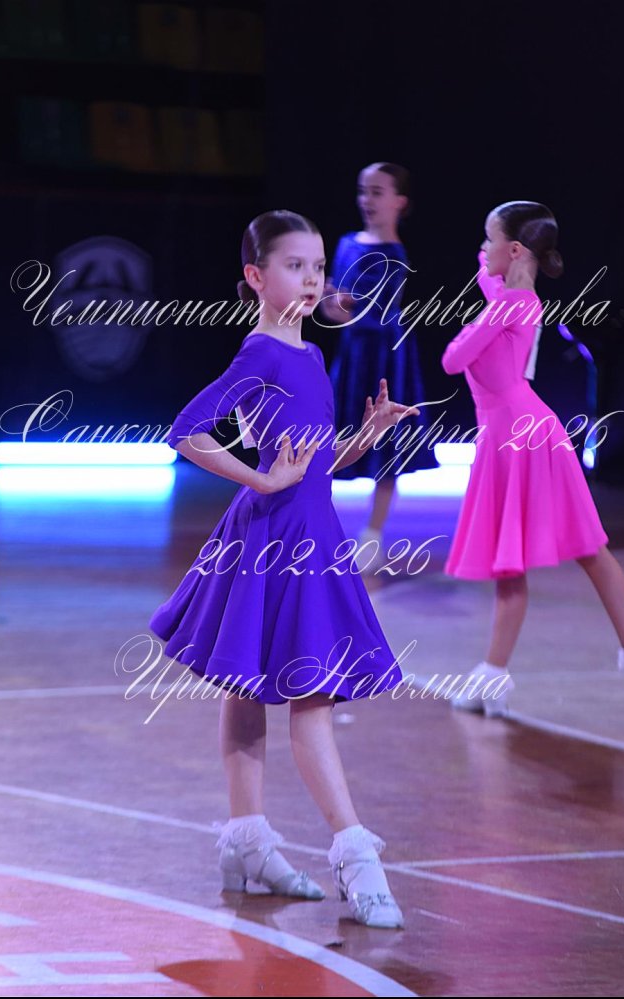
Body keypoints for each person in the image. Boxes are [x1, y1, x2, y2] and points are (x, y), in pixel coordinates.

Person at [149, 210, 421, 928]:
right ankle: (356, 856)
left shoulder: (309, 355)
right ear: (256, 275)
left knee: (251, 688)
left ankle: (247, 845)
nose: (311, 278)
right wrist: (261, 478)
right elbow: (188, 430)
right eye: (295, 265)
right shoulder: (263, 351)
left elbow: (316, 461)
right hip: (274, 537)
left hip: (310, 534)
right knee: (310, 696)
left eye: (318, 265)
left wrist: (367, 434)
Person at [440, 201, 624, 720]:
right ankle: (493, 676)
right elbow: (490, 296)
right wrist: (490, 278)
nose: (480, 249)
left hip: (523, 436)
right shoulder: (516, 299)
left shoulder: (510, 305)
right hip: (508, 435)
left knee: (586, 550)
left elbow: (453, 359)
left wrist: (489, 292)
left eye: (488, 239)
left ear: (513, 250)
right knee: (513, 563)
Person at [319, 162, 437, 573]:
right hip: (353, 357)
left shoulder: (393, 254)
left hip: (387, 356)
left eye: (377, 192)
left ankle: (372, 534)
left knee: (387, 445)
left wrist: (341, 304)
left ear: (399, 202)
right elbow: (334, 304)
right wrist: (333, 303)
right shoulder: (346, 242)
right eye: (362, 191)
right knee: (330, 436)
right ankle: (317, 527)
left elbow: (370, 313)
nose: (366, 200)